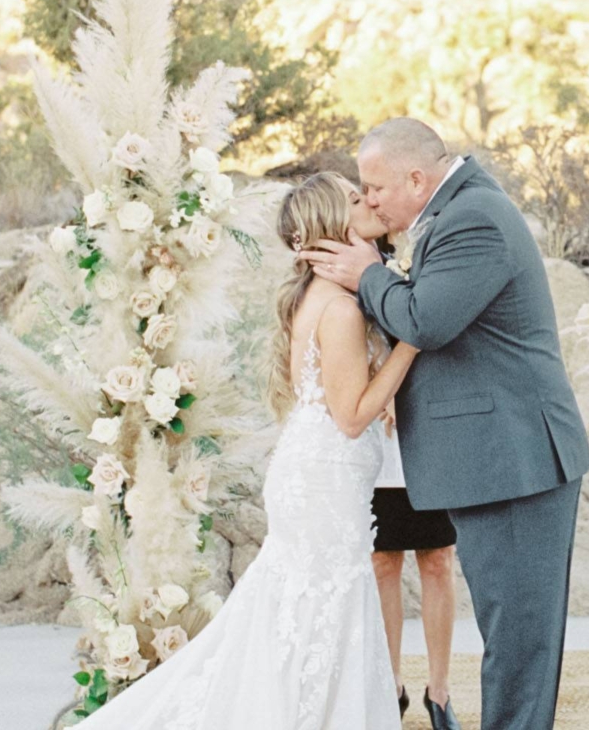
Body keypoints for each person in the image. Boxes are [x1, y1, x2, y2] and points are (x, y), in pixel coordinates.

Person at [73, 172, 412, 729]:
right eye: (354, 198)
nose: (368, 200)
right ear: (332, 224)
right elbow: (352, 416)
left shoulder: (326, 297)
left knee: (306, 614)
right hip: (324, 479)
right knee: (322, 610)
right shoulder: (342, 309)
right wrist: (412, 345)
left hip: (318, 474)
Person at [300, 118, 589, 730]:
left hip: (514, 462)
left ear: (416, 176)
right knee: (515, 641)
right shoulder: (457, 211)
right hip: (498, 460)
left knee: (517, 647)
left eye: (375, 188)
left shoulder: (473, 218)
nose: (371, 200)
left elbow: (426, 320)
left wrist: (366, 275)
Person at [370, 392, 460, 728]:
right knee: (382, 562)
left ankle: (439, 692)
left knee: (439, 558)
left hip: (433, 424)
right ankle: (390, 688)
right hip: (378, 426)